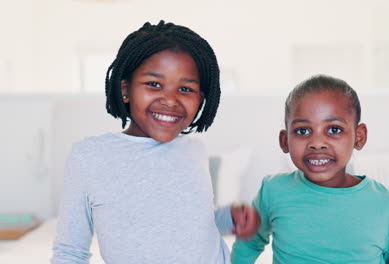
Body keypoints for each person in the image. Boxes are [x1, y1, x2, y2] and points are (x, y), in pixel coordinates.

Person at [51, 20, 260, 264]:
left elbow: (194, 224)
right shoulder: (89, 157)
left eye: (185, 89)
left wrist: (230, 219)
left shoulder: (194, 150)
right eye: (154, 84)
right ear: (125, 89)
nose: (170, 100)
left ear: (201, 98)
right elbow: (70, 251)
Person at [231, 75, 389, 264]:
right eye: (303, 131)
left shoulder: (386, 205)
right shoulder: (273, 191)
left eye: (334, 130)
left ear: (359, 137)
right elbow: (248, 244)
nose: (317, 143)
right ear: (285, 140)